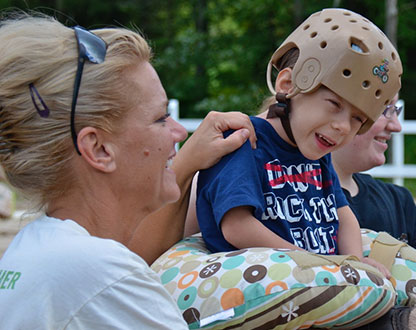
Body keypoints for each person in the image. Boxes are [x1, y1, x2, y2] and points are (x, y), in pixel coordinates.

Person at [0, 13, 256, 328]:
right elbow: (115, 273)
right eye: (161, 118)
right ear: (98, 149)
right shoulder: (98, 273)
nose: (179, 132)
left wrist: (188, 163)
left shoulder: (37, 248)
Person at [195, 8, 401, 276]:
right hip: (266, 287)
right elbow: (236, 226)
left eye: (357, 119)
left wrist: (352, 262)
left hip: (318, 282)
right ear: (288, 84)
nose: (342, 126)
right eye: (334, 104)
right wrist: (314, 263)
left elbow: (343, 214)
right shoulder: (245, 141)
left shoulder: (317, 155)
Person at [331, 94, 416, 296]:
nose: (396, 126)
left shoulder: (399, 201)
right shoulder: (296, 198)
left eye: (396, 110)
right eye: (385, 108)